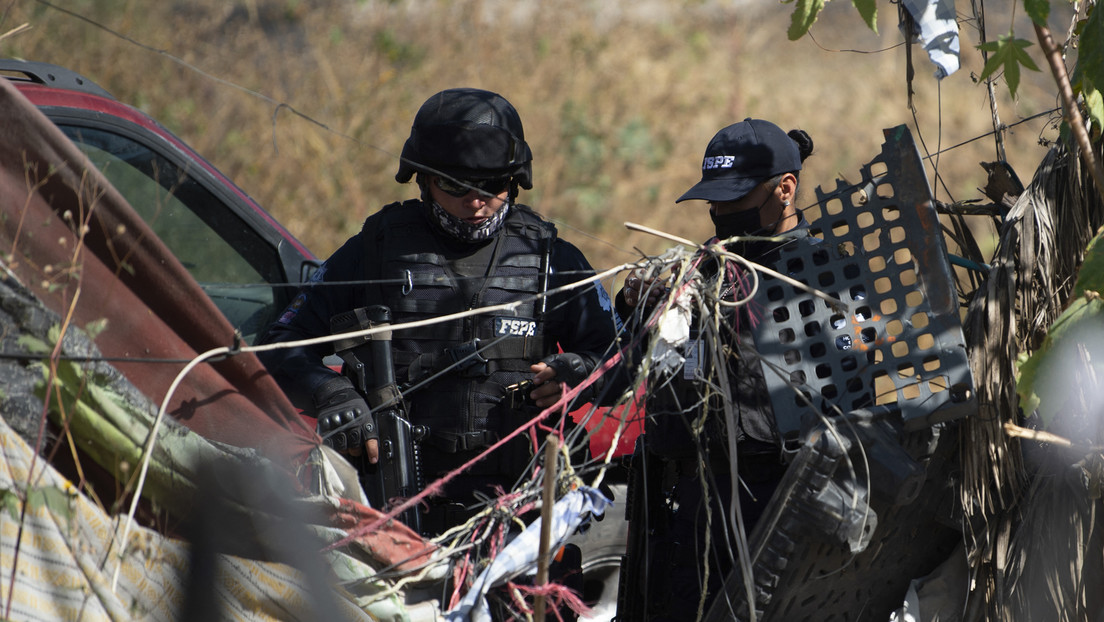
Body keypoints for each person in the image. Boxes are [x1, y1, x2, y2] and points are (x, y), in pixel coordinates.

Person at [257, 88, 622, 542]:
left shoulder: (550, 258)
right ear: (423, 180)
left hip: (517, 519)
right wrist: (331, 394)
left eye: (492, 185)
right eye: (455, 185)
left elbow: (622, 361)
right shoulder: (375, 250)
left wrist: (581, 371)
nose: (476, 201)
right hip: (392, 513)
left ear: (516, 180)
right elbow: (279, 347)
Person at [616, 118, 816, 620]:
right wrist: (644, 313)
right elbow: (634, 372)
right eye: (715, 202)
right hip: (687, 510)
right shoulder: (698, 272)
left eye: (735, 200)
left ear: (785, 190)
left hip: (777, 510)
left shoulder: (824, 275)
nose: (721, 214)